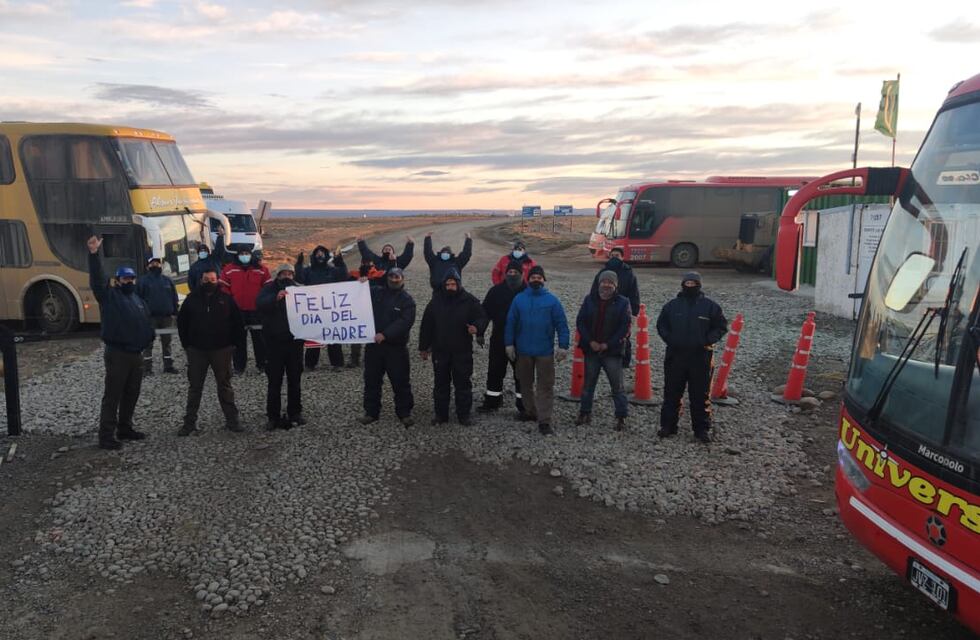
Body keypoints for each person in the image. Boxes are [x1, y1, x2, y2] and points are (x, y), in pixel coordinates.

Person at [86, 236, 155, 450]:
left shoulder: (137, 299)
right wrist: (94, 254)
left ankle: (125, 428)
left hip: (136, 355)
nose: (129, 282)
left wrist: (148, 338)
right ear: (117, 280)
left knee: (131, 393)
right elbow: (97, 280)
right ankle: (106, 436)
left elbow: (145, 322)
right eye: (125, 279)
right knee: (113, 396)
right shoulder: (109, 297)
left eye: (132, 278)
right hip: (117, 354)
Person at [656, 272, 728, 443]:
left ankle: (702, 430)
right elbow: (661, 325)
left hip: (701, 357)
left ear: (699, 285)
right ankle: (668, 426)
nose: (690, 286)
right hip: (676, 356)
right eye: (687, 283)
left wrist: (706, 340)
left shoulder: (710, 306)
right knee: (672, 393)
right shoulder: (671, 306)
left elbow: (721, 326)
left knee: (700, 395)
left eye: (693, 283)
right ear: (682, 284)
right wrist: (670, 339)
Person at [176, 266, 245, 436]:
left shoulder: (226, 299)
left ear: (218, 280)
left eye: (213, 280)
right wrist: (188, 345)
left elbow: (238, 323)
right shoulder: (191, 299)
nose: (210, 282)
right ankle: (189, 423)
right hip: (197, 351)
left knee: (225, 386)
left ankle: (232, 420)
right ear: (201, 280)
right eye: (206, 280)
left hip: (221, 350)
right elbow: (182, 323)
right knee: (195, 388)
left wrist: (234, 345)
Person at [504, 265, 569, 435]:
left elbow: (561, 324)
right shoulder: (519, 299)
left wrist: (563, 346)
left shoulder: (552, 301)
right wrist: (508, 343)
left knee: (545, 386)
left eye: (539, 277)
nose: (536, 280)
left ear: (544, 280)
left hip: (544, 352)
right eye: (533, 277)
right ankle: (530, 412)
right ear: (528, 279)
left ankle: (544, 420)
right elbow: (510, 322)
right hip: (523, 351)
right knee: (525, 384)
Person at [419, 269, 488, 426]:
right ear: (443, 285)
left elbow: (482, 317)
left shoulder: (469, 300)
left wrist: (477, 327)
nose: (450, 286)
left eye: (453, 284)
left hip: (462, 351)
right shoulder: (435, 301)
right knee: (440, 384)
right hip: (440, 351)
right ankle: (441, 415)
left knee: (463, 384)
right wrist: (424, 347)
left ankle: (464, 415)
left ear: (458, 284)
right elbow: (427, 325)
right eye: (447, 284)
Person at [359, 268, 417, 427]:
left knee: (400, 381)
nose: (394, 279)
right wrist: (361, 284)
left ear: (402, 279)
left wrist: (385, 334)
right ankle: (371, 412)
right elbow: (359, 295)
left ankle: (404, 413)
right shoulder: (377, 292)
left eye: (397, 276)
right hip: (374, 347)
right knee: (371, 381)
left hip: (396, 348)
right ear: (387, 278)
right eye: (391, 276)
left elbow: (405, 322)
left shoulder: (407, 300)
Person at [575, 270, 632, 431]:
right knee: (588, 384)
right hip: (592, 349)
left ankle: (621, 416)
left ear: (615, 285)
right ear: (599, 283)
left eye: (610, 282)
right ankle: (584, 412)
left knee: (617, 386)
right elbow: (581, 322)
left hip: (612, 351)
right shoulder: (589, 300)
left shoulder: (623, 302)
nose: (606, 285)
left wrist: (608, 344)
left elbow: (625, 327)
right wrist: (590, 341)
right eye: (604, 282)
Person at [256, 264, 306, 430]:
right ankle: (273, 416)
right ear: (277, 276)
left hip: (295, 344)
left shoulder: (300, 289)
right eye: (283, 273)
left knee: (295, 380)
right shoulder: (268, 289)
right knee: (274, 382)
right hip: (274, 344)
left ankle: (295, 413)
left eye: (290, 273)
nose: (287, 276)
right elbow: (260, 304)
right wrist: (275, 298)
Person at [478, 261, 526, 414]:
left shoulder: (528, 291)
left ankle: (524, 405)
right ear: (505, 274)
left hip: (521, 340)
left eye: (515, 272)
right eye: (509, 272)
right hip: (499, 337)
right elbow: (484, 313)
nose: (512, 274)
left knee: (522, 373)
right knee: (495, 370)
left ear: (522, 273)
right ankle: (492, 400)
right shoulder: (495, 291)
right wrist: (480, 332)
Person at [295, 245, 348, 370]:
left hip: (330, 309)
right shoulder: (308, 271)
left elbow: (343, 275)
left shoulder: (332, 270)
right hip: (314, 310)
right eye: (317, 253)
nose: (320, 255)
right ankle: (310, 364)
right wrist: (299, 264)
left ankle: (337, 363)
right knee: (314, 337)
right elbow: (299, 278)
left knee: (333, 337)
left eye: (322, 253)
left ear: (326, 255)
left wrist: (339, 260)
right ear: (314, 256)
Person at [220, 247, 271, 374]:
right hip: (237, 311)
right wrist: (229, 304)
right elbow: (223, 288)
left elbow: (268, 288)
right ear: (237, 255)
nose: (244, 255)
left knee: (260, 340)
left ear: (251, 255)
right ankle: (239, 366)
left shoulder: (261, 269)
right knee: (238, 340)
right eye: (242, 253)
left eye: (247, 253)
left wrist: (263, 303)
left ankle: (262, 365)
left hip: (257, 310)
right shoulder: (229, 269)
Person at [590, 246, 641, 366]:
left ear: (622, 257)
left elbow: (634, 294)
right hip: (603, 307)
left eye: (617, 256)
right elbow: (594, 291)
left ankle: (624, 361)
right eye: (612, 256)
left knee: (623, 335)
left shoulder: (629, 273)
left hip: (622, 309)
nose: (614, 258)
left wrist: (634, 312)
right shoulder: (602, 273)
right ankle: (602, 357)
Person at [136, 256, 179, 375]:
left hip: (166, 317)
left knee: (167, 343)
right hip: (150, 318)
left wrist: (176, 312)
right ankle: (147, 369)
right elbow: (138, 299)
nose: (155, 265)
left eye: (157, 263)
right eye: (152, 263)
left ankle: (168, 366)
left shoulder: (168, 280)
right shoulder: (142, 281)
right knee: (148, 344)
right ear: (147, 266)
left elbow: (174, 298)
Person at [344, 257, 388, 368]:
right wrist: (356, 282)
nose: (367, 263)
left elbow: (387, 284)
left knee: (373, 332)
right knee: (357, 333)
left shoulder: (379, 275)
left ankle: (373, 358)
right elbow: (344, 286)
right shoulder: (354, 275)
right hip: (358, 308)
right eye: (364, 262)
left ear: (373, 263)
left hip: (374, 308)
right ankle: (355, 358)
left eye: (369, 262)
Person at [188, 226, 228, 292]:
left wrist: (220, 236)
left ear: (208, 252)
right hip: (201, 295)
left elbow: (219, 249)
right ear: (198, 253)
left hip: (217, 292)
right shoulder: (194, 267)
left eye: (205, 251)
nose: (203, 252)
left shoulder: (214, 260)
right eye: (201, 251)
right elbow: (191, 283)